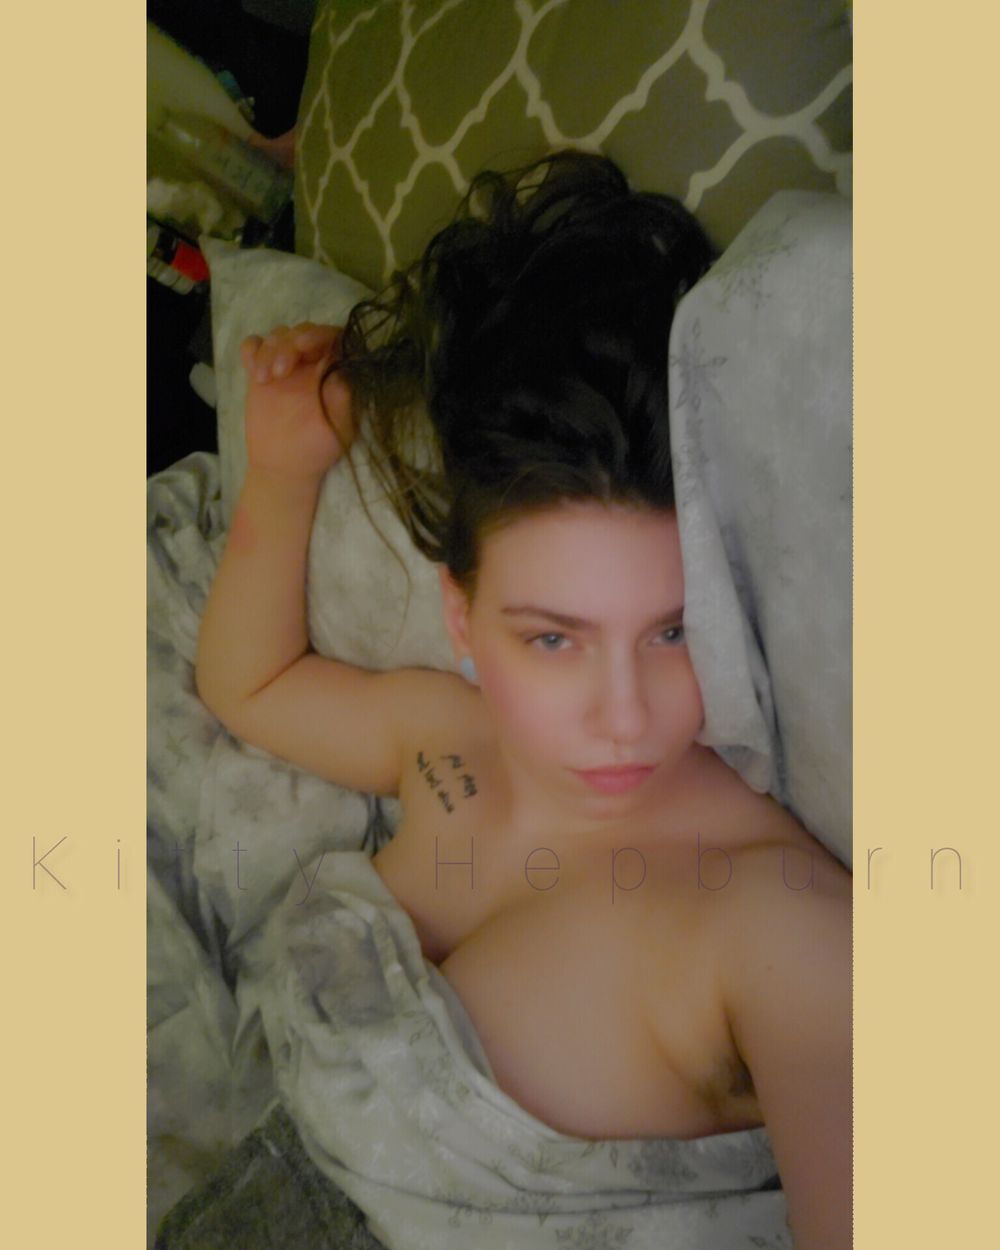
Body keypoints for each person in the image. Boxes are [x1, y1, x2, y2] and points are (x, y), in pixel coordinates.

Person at [195, 151, 850, 1249]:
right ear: (461, 619)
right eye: (553, 638)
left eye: (674, 630)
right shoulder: (446, 737)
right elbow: (247, 684)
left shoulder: (779, 929)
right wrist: (282, 471)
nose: (626, 717)